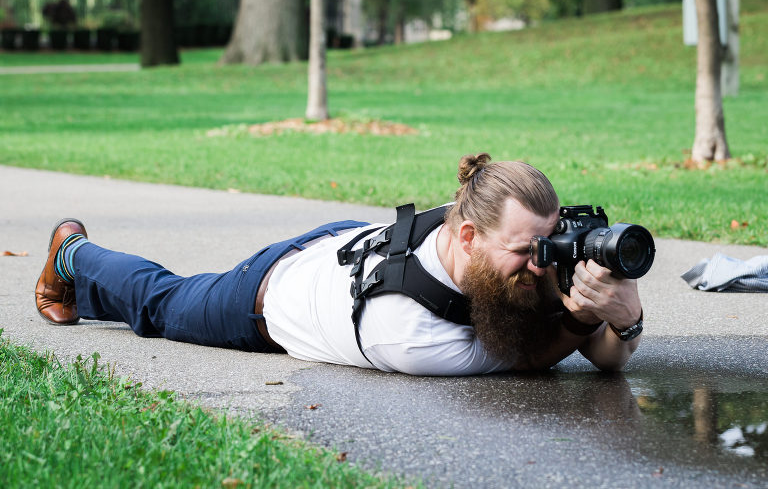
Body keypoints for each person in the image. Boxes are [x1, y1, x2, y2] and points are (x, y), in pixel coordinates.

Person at [34, 154, 644, 376]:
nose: (544, 264)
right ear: (467, 234)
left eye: (551, 241)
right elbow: (540, 354)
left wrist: (626, 314)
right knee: (162, 304)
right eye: (526, 251)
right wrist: (595, 318)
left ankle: (79, 294)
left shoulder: (509, 246)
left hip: (346, 244)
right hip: (271, 296)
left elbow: (602, 355)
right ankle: (72, 252)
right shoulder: (407, 331)